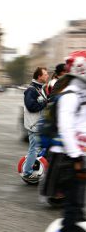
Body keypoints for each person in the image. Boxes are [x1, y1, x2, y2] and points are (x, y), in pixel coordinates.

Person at [49, 51, 86, 232]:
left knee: (78, 206)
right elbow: (66, 128)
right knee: (72, 207)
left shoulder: (81, 93)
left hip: (79, 156)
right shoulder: (71, 95)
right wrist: (77, 157)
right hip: (70, 159)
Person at [22, 67, 49, 180]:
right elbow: (31, 106)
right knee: (33, 148)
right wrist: (45, 103)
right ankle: (27, 172)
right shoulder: (31, 90)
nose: (47, 76)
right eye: (45, 74)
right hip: (33, 125)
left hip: (38, 124)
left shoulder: (39, 88)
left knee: (37, 148)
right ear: (39, 76)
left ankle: (34, 166)